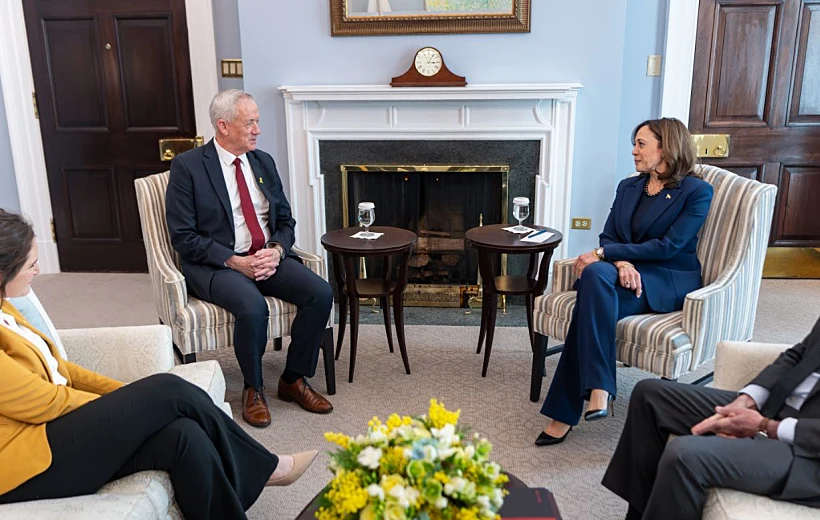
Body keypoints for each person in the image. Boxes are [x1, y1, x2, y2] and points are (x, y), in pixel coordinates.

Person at [0, 210, 318, 520]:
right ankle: (266, 466)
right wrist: (124, 408)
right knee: (168, 390)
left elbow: (62, 368)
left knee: (183, 435)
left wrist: (128, 397)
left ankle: (248, 484)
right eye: (31, 264)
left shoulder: (5, 309)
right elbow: (45, 404)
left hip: (51, 434)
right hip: (26, 461)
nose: (38, 270)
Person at [535, 118, 714, 446]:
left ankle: (565, 413)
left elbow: (669, 246)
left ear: (666, 148)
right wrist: (619, 260)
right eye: (635, 144)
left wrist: (605, 253)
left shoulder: (696, 191)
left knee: (591, 289)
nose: (633, 151)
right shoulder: (629, 186)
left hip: (664, 279)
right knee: (595, 275)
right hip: (621, 274)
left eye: (641, 144)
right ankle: (600, 388)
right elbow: (609, 234)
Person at [166, 89, 334, 427]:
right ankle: (253, 388)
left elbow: (286, 221)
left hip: (265, 257)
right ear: (223, 125)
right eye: (251, 123)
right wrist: (234, 261)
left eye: (258, 121)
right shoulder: (188, 167)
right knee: (252, 307)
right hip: (217, 264)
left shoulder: (263, 162)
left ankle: (293, 379)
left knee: (321, 293)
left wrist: (277, 250)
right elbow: (183, 237)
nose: (258, 129)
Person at [603, 317, 820, 520]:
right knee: (649, 395)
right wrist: (747, 400)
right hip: (781, 408)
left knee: (685, 455)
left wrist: (767, 426)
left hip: (808, 454)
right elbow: (799, 354)